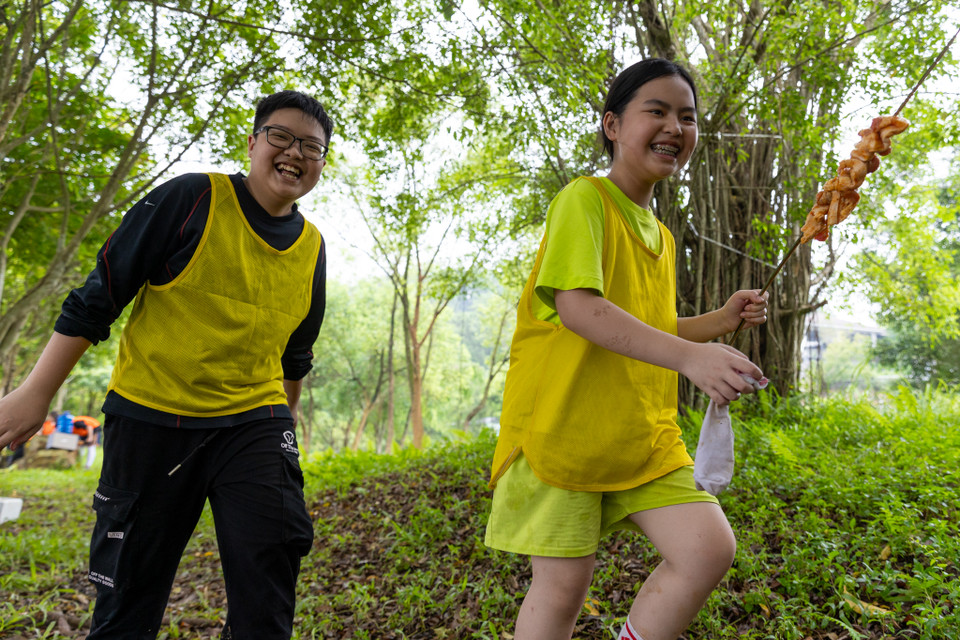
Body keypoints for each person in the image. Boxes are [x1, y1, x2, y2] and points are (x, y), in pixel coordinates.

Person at [0, 90, 332, 639]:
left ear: (322, 164)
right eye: (281, 136)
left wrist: (286, 422)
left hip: (254, 420)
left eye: (312, 147)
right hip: (152, 417)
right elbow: (101, 294)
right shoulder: (191, 198)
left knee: (272, 566)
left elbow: (297, 350)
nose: (295, 152)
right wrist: (36, 393)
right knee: (129, 597)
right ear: (252, 143)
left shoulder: (313, 247)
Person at [484, 59, 769, 640]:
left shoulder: (659, 234)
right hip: (564, 432)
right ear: (613, 125)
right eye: (657, 111)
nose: (674, 127)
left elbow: (646, 326)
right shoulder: (584, 200)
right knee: (563, 588)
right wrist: (693, 359)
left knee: (706, 549)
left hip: (641, 436)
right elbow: (580, 309)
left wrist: (717, 322)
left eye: (686, 117)